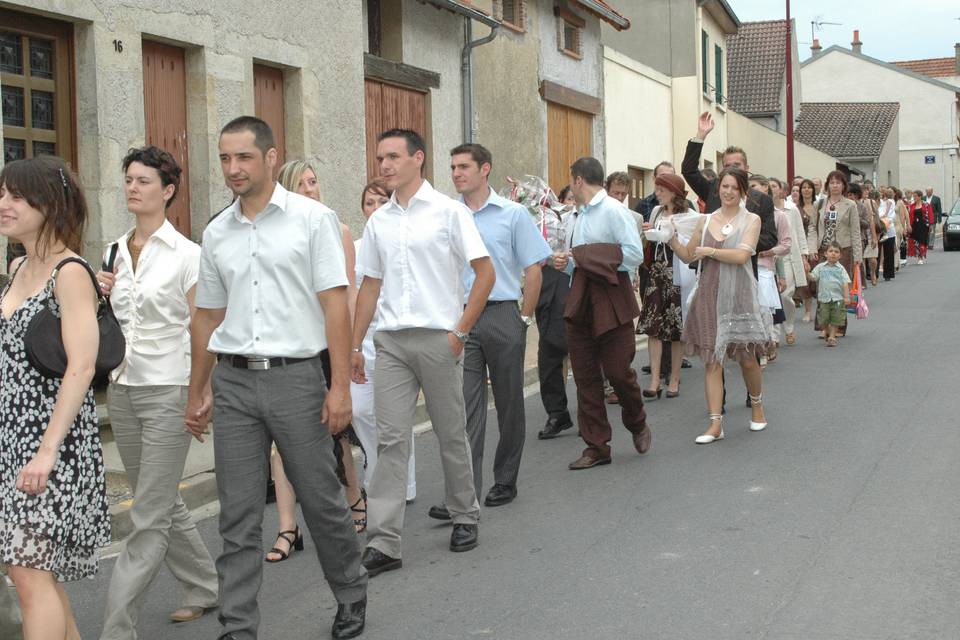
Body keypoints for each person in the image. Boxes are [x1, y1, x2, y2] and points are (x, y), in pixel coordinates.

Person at [185, 116, 368, 640]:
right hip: (235, 383)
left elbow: (335, 305)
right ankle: (238, 625)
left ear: (269, 157)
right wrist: (199, 388)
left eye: (243, 157)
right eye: (224, 158)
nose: (232, 168)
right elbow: (206, 317)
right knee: (237, 513)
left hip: (297, 380)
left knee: (321, 498)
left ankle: (351, 594)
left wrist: (338, 387)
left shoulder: (315, 220)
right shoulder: (217, 232)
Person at [351, 129, 494, 576]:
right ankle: (384, 542)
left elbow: (484, 273)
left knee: (451, 431)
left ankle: (464, 513)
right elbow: (369, 285)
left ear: (418, 158)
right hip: (390, 341)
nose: (385, 164)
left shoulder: (449, 213)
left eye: (393, 156)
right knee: (391, 439)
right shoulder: (379, 221)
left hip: (438, 337)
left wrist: (459, 332)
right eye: (380, 157)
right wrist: (355, 345)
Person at [95, 146, 219, 638]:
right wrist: (99, 290)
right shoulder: (112, 250)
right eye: (128, 179)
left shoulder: (190, 255)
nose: (131, 187)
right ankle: (205, 585)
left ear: (167, 191)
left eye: (143, 181)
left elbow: (204, 329)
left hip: (170, 389)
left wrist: (200, 393)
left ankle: (116, 626)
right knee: (162, 499)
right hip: (123, 388)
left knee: (147, 513)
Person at [0, 156, 110, 639]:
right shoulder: (19, 265)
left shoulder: (70, 271)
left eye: (18, 196)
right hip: (10, 438)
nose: (5, 204)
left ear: (51, 204)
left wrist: (46, 450)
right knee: (30, 570)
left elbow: (82, 366)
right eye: (3, 194)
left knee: (28, 573)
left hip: (51, 442)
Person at [428, 143, 551, 513]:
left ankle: (505, 479)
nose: (456, 173)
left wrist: (523, 319)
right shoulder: (447, 215)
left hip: (501, 315)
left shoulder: (513, 215)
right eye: (452, 167)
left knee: (510, 402)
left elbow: (533, 268)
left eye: (464, 166)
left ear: (486, 169)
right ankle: (464, 494)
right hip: (461, 317)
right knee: (465, 408)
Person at [261, 159, 367, 565]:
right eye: (301, 183)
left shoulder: (336, 230)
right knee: (278, 443)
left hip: (327, 344)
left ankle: (354, 497)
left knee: (335, 432)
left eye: (314, 181)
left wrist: (353, 345)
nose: (310, 188)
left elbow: (349, 292)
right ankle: (288, 527)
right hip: (287, 345)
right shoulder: (276, 232)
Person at [555, 157, 650, 470]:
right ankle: (596, 447)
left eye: (571, 181)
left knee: (618, 372)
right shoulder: (576, 215)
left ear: (579, 180)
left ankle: (637, 422)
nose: (570, 186)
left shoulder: (613, 210)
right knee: (585, 377)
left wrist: (583, 256)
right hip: (581, 296)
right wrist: (567, 262)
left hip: (611, 297)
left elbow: (633, 255)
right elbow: (579, 263)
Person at [670, 167, 771, 444]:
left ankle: (757, 405)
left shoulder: (751, 219)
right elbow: (689, 254)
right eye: (724, 187)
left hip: (739, 294)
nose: (728, 192)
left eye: (733, 188)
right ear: (718, 189)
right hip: (708, 294)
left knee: (747, 357)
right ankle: (715, 424)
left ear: (743, 192)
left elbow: (741, 256)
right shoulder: (705, 220)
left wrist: (712, 251)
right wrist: (669, 237)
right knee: (712, 361)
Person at [351, 179, 418, 502]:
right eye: (368, 203)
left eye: (380, 202)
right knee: (361, 410)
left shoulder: (400, 244)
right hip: (362, 341)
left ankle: (401, 484)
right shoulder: (353, 247)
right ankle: (375, 470)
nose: (374, 209)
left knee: (395, 416)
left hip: (394, 339)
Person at [636, 173, 701, 399]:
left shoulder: (691, 216)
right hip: (657, 272)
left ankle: (674, 378)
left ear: (674, 191)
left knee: (676, 328)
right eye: (657, 189)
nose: (657, 193)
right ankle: (655, 380)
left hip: (678, 273)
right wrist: (647, 233)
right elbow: (649, 242)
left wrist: (673, 234)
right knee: (654, 327)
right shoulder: (656, 212)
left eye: (661, 189)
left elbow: (693, 249)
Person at [537, 185, 576, 440]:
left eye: (576, 199)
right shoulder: (545, 222)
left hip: (577, 287)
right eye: (568, 199)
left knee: (582, 354)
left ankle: (591, 415)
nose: (572, 203)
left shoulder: (586, 220)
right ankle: (557, 412)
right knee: (548, 356)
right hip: (547, 288)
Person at [806, 171, 861, 338]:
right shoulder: (820, 204)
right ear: (827, 185)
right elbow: (812, 227)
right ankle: (823, 326)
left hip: (843, 250)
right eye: (832, 182)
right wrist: (812, 248)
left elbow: (855, 231)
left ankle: (838, 326)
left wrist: (858, 257)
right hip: (823, 250)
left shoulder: (850, 205)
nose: (835, 185)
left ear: (844, 186)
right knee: (822, 288)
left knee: (838, 289)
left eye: (838, 182)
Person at [807, 242, 851, 347]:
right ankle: (826, 330)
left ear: (840, 255)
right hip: (823, 298)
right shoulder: (820, 267)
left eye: (836, 252)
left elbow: (845, 283)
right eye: (830, 251)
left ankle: (832, 336)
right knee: (823, 319)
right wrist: (806, 272)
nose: (833, 254)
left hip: (838, 299)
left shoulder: (841, 269)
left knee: (836, 318)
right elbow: (813, 278)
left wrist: (846, 297)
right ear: (826, 254)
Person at [795, 179, 818, 322]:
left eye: (809, 187)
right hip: (801, 247)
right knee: (805, 279)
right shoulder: (795, 208)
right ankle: (808, 310)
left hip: (815, 246)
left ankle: (823, 308)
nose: (807, 190)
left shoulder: (819, 206)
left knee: (817, 278)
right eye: (804, 187)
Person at [878, 188, 898, 280]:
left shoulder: (888, 201)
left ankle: (880, 273)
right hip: (889, 227)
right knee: (888, 253)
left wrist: (885, 214)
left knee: (883, 252)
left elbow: (888, 209)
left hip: (885, 225)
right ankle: (889, 274)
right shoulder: (891, 201)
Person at [911, 189, 932, 264]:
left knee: (922, 241)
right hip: (915, 225)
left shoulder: (926, 204)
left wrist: (930, 225)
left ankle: (921, 256)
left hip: (924, 225)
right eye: (913, 196)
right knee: (916, 241)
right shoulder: (912, 205)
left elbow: (930, 215)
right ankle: (918, 256)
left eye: (915, 196)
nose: (914, 197)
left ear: (920, 196)